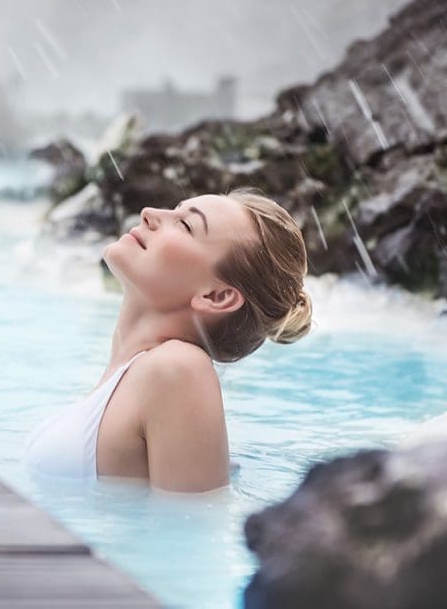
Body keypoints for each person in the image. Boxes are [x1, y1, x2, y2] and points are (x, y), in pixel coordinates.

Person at [23, 187, 312, 492]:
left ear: (216, 296)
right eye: (175, 208)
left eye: (186, 225)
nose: (149, 213)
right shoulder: (137, 377)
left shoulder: (179, 368)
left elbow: (188, 531)